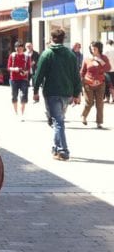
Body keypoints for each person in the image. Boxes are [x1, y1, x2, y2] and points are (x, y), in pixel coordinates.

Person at [32, 27, 82, 161]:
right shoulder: (71, 55)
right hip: (67, 93)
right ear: (63, 38)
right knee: (57, 120)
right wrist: (77, 93)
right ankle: (55, 148)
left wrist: (35, 91)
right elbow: (76, 76)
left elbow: (39, 74)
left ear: (51, 38)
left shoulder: (47, 54)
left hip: (51, 92)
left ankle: (63, 150)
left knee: (57, 121)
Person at [79, 41, 110, 129]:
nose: (93, 49)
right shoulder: (87, 58)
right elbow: (82, 71)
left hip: (100, 84)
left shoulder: (104, 57)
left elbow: (108, 68)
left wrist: (100, 60)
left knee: (100, 103)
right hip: (88, 83)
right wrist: (81, 82)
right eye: (92, 48)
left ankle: (99, 122)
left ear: (99, 48)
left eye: (94, 48)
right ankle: (83, 116)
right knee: (89, 102)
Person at [6, 41, 30, 120]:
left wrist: (25, 72)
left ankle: (22, 114)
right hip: (14, 79)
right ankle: (16, 113)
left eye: (20, 48)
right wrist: (15, 69)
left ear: (23, 48)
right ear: (15, 48)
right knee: (14, 96)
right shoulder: (12, 56)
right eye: (17, 48)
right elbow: (8, 68)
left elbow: (28, 68)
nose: (18, 50)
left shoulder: (27, 56)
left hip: (24, 79)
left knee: (23, 96)